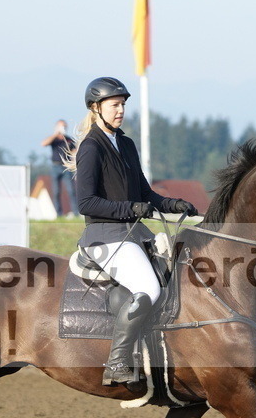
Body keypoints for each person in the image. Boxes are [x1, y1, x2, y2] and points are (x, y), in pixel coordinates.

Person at [66, 77, 198, 386]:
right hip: (104, 237)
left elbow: (145, 193)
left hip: (132, 235)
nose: (121, 110)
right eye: (114, 105)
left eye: (123, 104)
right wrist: (129, 209)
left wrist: (173, 204)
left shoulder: (125, 143)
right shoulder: (91, 147)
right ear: (96, 108)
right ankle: (117, 362)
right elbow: (86, 203)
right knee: (149, 290)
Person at [40, 120, 77, 216]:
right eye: (61, 126)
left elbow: (75, 151)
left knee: (71, 190)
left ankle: (76, 213)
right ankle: (58, 214)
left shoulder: (69, 139)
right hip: (55, 166)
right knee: (56, 191)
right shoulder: (54, 140)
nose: (63, 128)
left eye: (64, 126)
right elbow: (43, 144)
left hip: (67, 167)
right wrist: (56, 134)